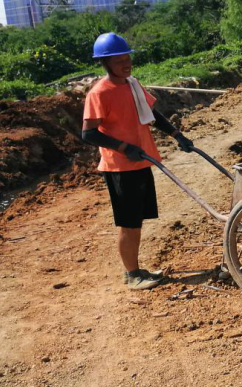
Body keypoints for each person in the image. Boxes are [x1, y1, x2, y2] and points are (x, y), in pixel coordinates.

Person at [81, 33, 195, 290]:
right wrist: (123, 147)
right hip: (120, 167)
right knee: (128, 223)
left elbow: (152, 114)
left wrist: (177, 135)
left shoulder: (132, 84)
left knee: (136, 221)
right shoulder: (99, 93)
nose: (126, 64)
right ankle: (132, 275)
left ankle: (134, 268)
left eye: (127, 58)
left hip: (141, 161)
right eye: (119, 60)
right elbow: (88, 133)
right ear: (105, 63)